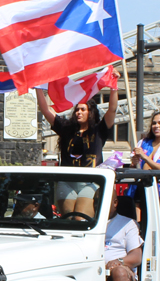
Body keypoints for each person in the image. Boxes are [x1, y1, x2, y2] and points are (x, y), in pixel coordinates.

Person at [35, 77, 119, 216]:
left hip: (90, 181)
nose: (78, 112)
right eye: (77, 110)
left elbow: (112, 109)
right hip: (67, 181)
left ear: (90, 112)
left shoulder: (99, 130)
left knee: (81, 218)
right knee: (69, 219)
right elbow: (45, 110)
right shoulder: (67, 129)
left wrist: (113, 86)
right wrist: (38, 87)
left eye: (83, 109)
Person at [130, 111, 160, 217]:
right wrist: (134, 163)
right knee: (137, 224)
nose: (156, 126)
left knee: (154, 226)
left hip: (159, 192)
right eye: (154, 123)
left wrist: (145, 157)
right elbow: (134, 166)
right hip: (139, 190)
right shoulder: (142, 143)